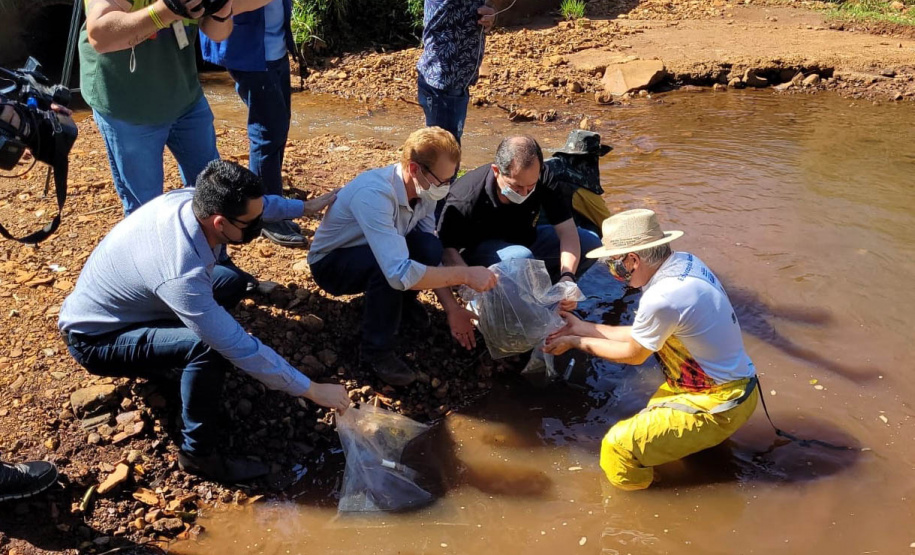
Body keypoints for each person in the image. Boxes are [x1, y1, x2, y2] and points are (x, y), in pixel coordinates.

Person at [58, 160, 349, 483]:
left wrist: (304, 208)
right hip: (97, 339)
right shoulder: (182, 273)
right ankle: (198, 454)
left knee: (232, 281)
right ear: (220, 223)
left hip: (138, 305)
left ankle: (176, 364)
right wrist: (311, 389)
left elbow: (260, 205)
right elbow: (240, 347)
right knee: (208, 349)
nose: (257, 228)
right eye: (251, 225)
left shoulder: (193, 200)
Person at [544, 209, 759, 490]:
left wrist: (575, 342)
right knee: (652, 419)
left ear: (632, 260)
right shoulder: (683, 264)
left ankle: (639, 511)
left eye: (613, 262)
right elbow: (644, 336)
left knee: (618, 447)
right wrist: (583, 327)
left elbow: (634, 355)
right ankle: (707, 451)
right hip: (735, 387)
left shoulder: (663, 296)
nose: (612, 271)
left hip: (720, 402)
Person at [308, 127, 498, 386]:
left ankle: (402, 304)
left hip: (381, 251)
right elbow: (398, 272)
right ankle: (376, 351)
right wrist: (465, 274)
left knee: (429, 246)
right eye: (441, 181)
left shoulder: (425, 189)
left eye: (449, 181)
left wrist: (452, 308)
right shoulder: (375, 194)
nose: (444, 188)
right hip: (332, 264)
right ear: (413, 168)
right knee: (386, 270)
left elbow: (427, 253)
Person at [79, 0, 233, 215]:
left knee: (215, 191)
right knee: (145, 208)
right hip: (127, 106)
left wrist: (221, 12)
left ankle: (206, 247)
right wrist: (168, 9)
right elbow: (100, 36)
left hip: (184, 95)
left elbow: (218, 33)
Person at [200, 0, 306, 247]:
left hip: (274, 51)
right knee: (267, 133)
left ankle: (273, 203)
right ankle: (266, 214)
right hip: (252, 56)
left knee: (278, 127)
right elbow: (219, 8)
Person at [437, 135, 602, 286]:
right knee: (522, 258)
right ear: (496, 171)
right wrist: (469, 280)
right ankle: (510, 294)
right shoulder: (466, 196)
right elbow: (446, 250)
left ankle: (551, 289)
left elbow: (567, 231)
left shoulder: (543, 177)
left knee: (591, 244)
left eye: (531, 187)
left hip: (527, 241)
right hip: (481, 256)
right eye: (516, 187)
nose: (524, 193)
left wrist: (567, 276)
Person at [416, 0, 496, 143]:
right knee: (441, 152)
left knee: (448, 149)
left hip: (458, 82)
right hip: (442, 85)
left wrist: (489, 16)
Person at [542, 129, 613, 236]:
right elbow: (607, 223)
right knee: (594, 230)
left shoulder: (547, 166)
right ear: (589, 159)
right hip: (549, 233)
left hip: (528, 226)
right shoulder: (579, 186)